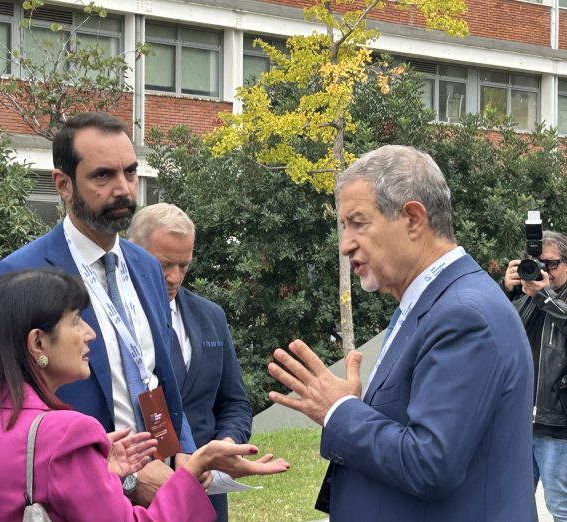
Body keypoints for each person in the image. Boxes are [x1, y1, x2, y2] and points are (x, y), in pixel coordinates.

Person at [267, 145, 536, 521]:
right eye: (344, 226)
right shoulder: (432, 303)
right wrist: (356, 409)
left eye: (358, 223)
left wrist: (339, 411)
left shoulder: (463, 315)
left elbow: (430, 463)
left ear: (412, 219)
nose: (344, 245)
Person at [0, 269, 289, 521]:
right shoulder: (66, 435)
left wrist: (98, 473)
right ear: (38, 342)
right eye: (76, 320)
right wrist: (197, 465)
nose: (90, 334)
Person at [0, 112, 195, 505]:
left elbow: (157, 375)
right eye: (103, 176)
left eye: (130, 172)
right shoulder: (20, 274)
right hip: (80, 496)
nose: (123, 189)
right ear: (63, 184)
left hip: (162, 484)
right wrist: (127, 480)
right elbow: (10, 411)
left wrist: (181, 450)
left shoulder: (146, 266)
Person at [128, 203, 253, 522]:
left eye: (183, 265)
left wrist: (223, 447)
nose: (175, 277)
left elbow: (235, 403)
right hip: (138, 500)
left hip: (206, 498)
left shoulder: (210, 316)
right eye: (164, 265)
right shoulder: (113, 325)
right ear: (132, 254)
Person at [504, 230, 567, 522]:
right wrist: (506, 291)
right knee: (512, 505)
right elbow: (491, 329)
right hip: (519, 423)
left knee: (561, 508)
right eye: (538, 263)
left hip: (557, 426)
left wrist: (545, 297)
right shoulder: (525, 296)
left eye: (551, 263)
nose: (544, 270)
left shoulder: (546, 297)